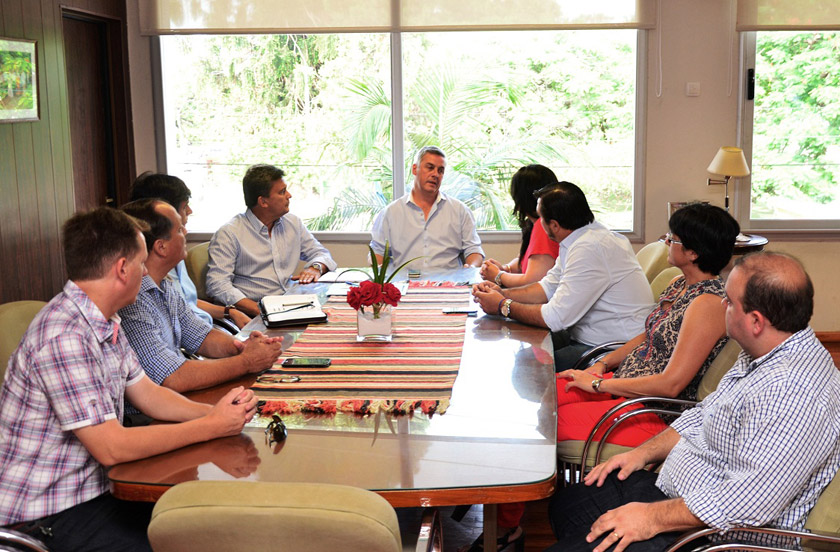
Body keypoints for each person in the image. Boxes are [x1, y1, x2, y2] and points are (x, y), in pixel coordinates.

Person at [0, 207, 259, 552]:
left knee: (204, 522)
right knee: (182, 542)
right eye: (140, 263)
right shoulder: (65, 336)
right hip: (46, 513)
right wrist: (210, 426)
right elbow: (112, 447)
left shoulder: (104, 319)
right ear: (122, 268)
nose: (145, 272)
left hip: (93, 492)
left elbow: (149, 394)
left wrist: (218, 415)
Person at [547, 252, 840, 552]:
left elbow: (747, 503)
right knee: (567, 505)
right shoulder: (763, 352)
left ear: (755, 321)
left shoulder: (794, 394)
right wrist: (642, 454)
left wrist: (650, 517)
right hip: (675, 497)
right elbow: (703, 414)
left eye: (730, 301)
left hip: (711, 537)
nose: (722, 305)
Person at [555, 203, 739, 447]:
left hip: (651, 410)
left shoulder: (708, 303)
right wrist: (601, 364)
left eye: (673, 238)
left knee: (550, 421)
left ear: (693, 253)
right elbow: (648, 336)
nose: (666, 241)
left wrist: (599, 385)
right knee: (547, 392)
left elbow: (671, 384)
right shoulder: (679, 283)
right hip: (624, 388)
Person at [472, 181, 653, 372]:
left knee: (527, 367)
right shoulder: (581, 239)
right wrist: (502, 293)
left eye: (541, 218)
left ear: (555, 225)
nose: (538, 224)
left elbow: (554, 318)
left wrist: (503, 306)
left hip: (612, 349)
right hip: (589, 336)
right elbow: (546, 288)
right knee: (521, 348)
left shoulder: (590, 248)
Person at [119, 199, 283, 399]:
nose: (186, 233)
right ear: (161, 247)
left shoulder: (165, 285)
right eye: (180, 230)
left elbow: (201, 336)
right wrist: (246, 362)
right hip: (153, 412)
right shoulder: (133, 301)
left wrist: (245, 347)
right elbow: (171, 377)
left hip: (176, 399)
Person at [206, 163, 337, 318]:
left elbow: (322, 254)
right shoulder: (229, 233)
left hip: (290, 305)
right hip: (253, 313)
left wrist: (315, 267)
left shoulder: (293, 223)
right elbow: (218, 285)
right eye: (282, 192)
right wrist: (260, 309)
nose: (289, 195)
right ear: (263, 202)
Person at [129, 171, 251, 329]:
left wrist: (229, 312)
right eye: (184, 206)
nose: (189, 211)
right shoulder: (150, 273)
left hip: (202, 328)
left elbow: (187, 302)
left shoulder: (174, 255)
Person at [370, 146, 484, 271]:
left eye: (440, 171)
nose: (435, 174)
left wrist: (471, 268)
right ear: (415, 169)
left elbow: (473, 250)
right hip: (404, 281)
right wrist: (380, 274)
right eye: (430, 168)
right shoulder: (391, 213)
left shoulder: (460, 210)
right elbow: (377, 251)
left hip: (449, 281)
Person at [480, 165, 560, 288]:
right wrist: (505, 269)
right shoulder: (536, 224)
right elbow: (524, 261)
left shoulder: (543, 226)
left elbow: (533, 281)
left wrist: (498, 276)